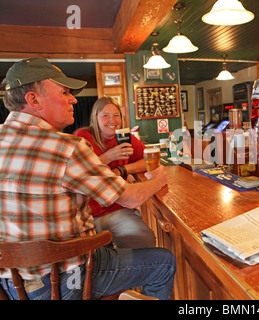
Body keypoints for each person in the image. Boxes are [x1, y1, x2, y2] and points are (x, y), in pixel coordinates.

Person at [0, 58, 175, 300]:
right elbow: (132, 199)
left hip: (12, 284)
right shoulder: (67, 146)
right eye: (64, 92)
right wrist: (158, 179)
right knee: (164, 262)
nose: (73, 99)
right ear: (33, 100)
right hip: (63, 281)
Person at [74, 97, 156, 249]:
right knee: (91, 254)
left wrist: (123, 169)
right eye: (105, 116)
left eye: (116, 115)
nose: (112, 120)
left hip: (117, 207)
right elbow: (78, 172)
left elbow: (148, 161)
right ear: (95, 118)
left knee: (146, 240)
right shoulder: (83, 137)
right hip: (89, 213)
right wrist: (108, 157)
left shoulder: (125, 138)